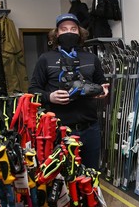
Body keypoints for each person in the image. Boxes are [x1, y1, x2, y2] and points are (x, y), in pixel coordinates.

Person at [28, 13, 109, 170]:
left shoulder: (91, 58)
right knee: (63, 177)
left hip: (89, 128)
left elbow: (102, 84)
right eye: (64, 29)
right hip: (60, 130)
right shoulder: (46, 59)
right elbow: (33, 90)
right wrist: (49, 97)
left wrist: (102, 91)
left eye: (73, 29)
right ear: (56, 33)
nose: (69, 32)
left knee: (90, 173)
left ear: (80, 33)